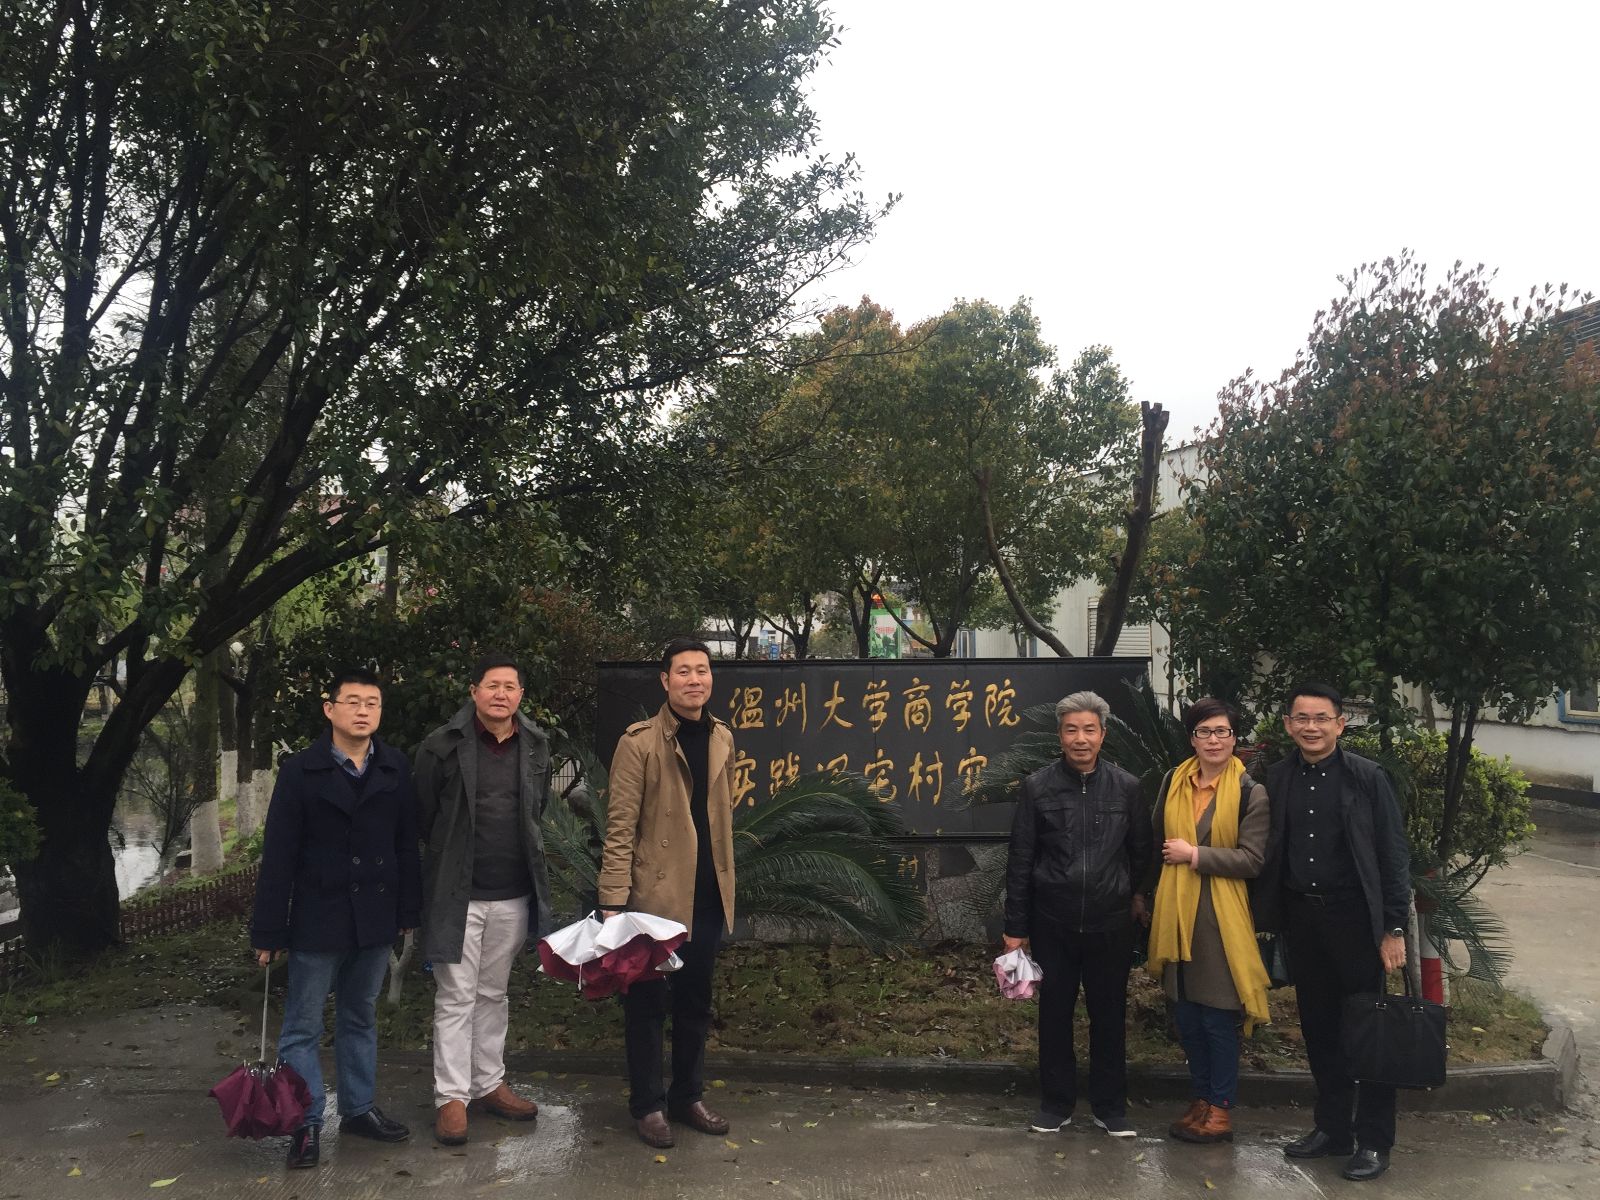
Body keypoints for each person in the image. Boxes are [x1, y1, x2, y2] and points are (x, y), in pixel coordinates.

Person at [249, 669, 421, 1169]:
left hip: (375, 916)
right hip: (317, 917)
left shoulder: (393, 766)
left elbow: (406, 844)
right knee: (302, 1026)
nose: (363, 711)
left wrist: (407, 910)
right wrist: (268, 929)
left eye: (372, 703)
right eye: (353, 701)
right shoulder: (300, 771)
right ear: (330, 709)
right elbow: (278, 855)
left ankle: (359, 1109)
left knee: (359, 1016)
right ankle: (305, 1123)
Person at [1253, 683, 1411, 1182]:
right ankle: (1333, 1129)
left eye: (1321, 718)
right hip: (1304, 920)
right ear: (1287, 725)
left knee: (1368, 1031)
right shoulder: (1278, 777)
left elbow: (1392, 854)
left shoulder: (1367, 778)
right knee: (1319, 1030)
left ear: (1340, 724)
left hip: (1356, 922)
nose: (1311, 727)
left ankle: (1374, 1141)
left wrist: (1393, 927)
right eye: (1301, 718)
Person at [599, 637, 737, 1150]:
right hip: (654, 899)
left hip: (707, 893)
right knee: (647, 1004)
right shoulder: (638, 743)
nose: (694, 680)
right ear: (665, 680)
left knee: (696, 1001)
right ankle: (648, 1105)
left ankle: (687, 1096)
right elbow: (620, 827)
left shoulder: (722, 736)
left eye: (702, 670)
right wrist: (613, 900)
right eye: (683, 671)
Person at [414, 654, 554, 1146]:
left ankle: (488, 1083)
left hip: (512, 893)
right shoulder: (442, 746)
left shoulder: (535, 745)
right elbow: (424, 814)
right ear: (473, 691)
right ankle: (451, 1097)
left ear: (521, 695)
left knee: (494, 993)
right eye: (492, 685)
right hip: (457, 895)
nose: (501, 694)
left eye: (510, 686)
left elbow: (537, 809)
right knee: (456, 996)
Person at [1003, 690, 1152, 1138]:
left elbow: (1141, 852)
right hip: (1054, 921)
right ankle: (1056, 1103)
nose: (1080, 739)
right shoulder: (1038, 787)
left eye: (1089, 729)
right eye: (1071, 730)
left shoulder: (1127, 787)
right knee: (1054, 1014)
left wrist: (1132, 895)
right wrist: (1015, 928)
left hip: (1111, 922)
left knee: (1109, 1015)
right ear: (1060, 735)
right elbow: (1021, 859)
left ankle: (1110, 1107)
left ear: (1103, 734)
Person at [1144, 698, 1271, 1145]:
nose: (1213, 740)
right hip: (1176, 913)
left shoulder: (1251, 792)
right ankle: (1200, 1099)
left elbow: (1252, 860)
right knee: (1188, 1015)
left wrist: (1194, 854)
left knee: (1217, 1017)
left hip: (1220, 917)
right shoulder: (1174, 781)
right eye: (1204, 732)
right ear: (1192, 738)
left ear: (1234, 739)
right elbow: (1155, 839)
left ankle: (1220, 1107)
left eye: (1222, 732)